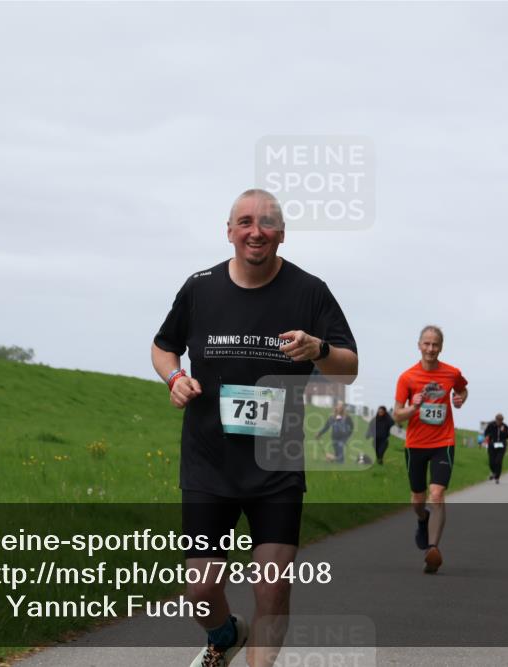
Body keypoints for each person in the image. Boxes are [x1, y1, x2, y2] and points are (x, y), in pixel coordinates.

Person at [151, 189, 358, 667]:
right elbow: (163, 347)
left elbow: (348, 368)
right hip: (209, 462)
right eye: (244, 221)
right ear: (229, 231)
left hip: (275, 464)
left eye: (266, 223)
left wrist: (319, 350)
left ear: (281, 235)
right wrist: (176, 377)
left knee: (272, 583)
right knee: (200, 589)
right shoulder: (199, 288)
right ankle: (224, 634)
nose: (255, 230)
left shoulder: (310, 291)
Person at [393, 325, 469, 574]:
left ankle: (432, 550)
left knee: (436, 494)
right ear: (419, 345)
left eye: (435, 344)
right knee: (417, 500)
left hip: (443, 442)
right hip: (415, 444)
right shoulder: (407, 377)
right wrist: (413, 408)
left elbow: (462, 390)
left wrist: (460, 399)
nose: (430, 348)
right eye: (426, 343)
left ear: (441, 347)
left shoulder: (451, 373)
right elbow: (396, 415)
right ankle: (422, 519)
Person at [483, 413, 508, 484]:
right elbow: (486, 433)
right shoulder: (491, 425)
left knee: (498, 461)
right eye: (498, 420)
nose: (499, 422)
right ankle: (494, 472)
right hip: (492, 445)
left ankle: (497, 477)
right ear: (496, 419)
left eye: (501, 420)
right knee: (491, 461)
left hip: (501, 446)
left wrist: (503, 431)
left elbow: (507, 436)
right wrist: (488, 436)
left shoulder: (505, 426)